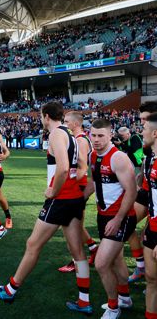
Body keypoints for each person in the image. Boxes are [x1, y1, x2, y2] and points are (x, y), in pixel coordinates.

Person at [0, 102, 92, 315]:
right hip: (74, 198)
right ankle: (84, 300)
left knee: (33, 244)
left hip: (60, 198)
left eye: (41, 117)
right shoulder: (71, 135)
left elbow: (62, 168)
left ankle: (10, 289)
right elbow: (80, 165)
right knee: (78, 251)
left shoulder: (56, 134)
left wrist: (53, 190)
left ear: (46, 116)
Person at [84, 118, 137, 318]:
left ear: (110, 135)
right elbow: (94, 182)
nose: (96, 140)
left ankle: (114, 307)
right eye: (93, 135)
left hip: (121, 217)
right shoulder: (92, 156)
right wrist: (78, 200)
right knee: (116, 261)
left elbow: (131, 191)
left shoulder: (118, 158)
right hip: (102, 215)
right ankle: (125, 298)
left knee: (101, 263)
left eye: (100, 136)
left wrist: (118, 219)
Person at [58, 111, 98, 273]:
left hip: (78, 187)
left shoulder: (80, 140)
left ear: (75, 124)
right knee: (74, 225)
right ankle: (93, 248)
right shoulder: (78, 139)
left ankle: (77, 261)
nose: (64, 124)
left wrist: (71, 189)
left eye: (67, 121)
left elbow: (82, 168)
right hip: (79, 186)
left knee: (70, 228)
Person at [128, 101, 157, 284]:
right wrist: (139, 181)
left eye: (146, 120)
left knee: (149, 232)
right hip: (146, 190)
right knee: (126, 222)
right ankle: (140, 266)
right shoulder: (147, 140)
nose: (143, 124)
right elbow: (145, 163)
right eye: (141, 120)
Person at [139, 112, 157, 319]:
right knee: (151, 279)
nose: (141, 131)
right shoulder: (151, 160)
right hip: (152, 229)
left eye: (144, 128)